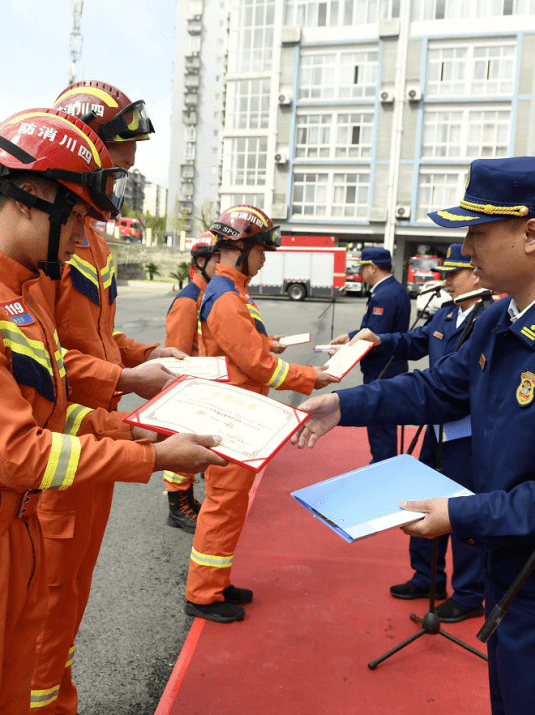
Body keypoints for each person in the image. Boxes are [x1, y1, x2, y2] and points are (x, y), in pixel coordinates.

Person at [0, 107, 225, 715]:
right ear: (33, 195)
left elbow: (56, 415)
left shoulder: (18, 299)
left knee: (17, 692)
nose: (84, 231)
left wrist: (139, 428)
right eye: (80, 213)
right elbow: (19, 452)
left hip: (12, 533)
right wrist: (153, 458)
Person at [294, 157, 535, 715]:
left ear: (531, 234)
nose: (466, 246)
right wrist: (345, 403)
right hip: (511, 572)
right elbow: (438, 389)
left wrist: (458, 516)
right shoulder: (498, 318)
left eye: (478, 231)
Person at [29, 81, 188, 715]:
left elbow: (93, 332)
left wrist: (144, 357)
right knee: (47, 601)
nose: (122, 173)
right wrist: (123, 381)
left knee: (70, 601)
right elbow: (35, 356)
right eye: (115, 158)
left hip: (95, 431)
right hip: (63, 439)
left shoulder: (89, 235)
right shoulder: (47, 237)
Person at [186, 204, 340, 624]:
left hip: (237, 412)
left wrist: (266, 343)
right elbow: (255, 365)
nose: (265, 258)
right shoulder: (226, 296)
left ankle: (215, 583)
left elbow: (245, 348)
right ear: (241, 248)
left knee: (230, 504)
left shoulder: (230, 291)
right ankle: (202, 593)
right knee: (223, 503)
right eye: (262, 250)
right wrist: (312, 376)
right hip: (231, 417)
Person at [350, 244, 487, 622]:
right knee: (421, 502)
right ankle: (427, 577)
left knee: (460, 510)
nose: (445, 281)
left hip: (469, 433)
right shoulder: (445, 316)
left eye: (453, 274)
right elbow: (415, 341)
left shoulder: (491, 320)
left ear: (475, 275)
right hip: (437, 428)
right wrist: (379, 339)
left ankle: (470, 593)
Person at [329, 246, 411, 464]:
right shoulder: (394, 289)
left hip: (382, 368)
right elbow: (373, 329)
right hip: (389, 365)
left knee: (379, 421)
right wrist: (349, 336)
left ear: (372, 267)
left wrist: (344, 351)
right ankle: (384, 463)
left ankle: (382, 467)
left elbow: (375, 338)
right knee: (384, 421)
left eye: (363, 268)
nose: (360, 274)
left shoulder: (385, 295)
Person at [160, 235, 220, 532]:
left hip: (203, 386)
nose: (222, 264)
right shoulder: (188, 301)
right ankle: (178, 507)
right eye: (216, 259)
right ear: (200, 262)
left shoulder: (206, 294)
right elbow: (177, 354)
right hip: (187, 387)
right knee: (180, 451)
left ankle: (188, 499)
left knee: (192, 451)